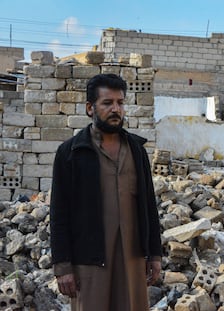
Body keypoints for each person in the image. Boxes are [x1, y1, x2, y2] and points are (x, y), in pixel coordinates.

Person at [50, 73, 162, 311]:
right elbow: (59, 214)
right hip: (89, 261)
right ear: (90, 108)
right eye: (107, 103)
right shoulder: (71, 153)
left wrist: (154, 255)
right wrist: (63, 267)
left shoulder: (136, 150)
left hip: (132, 259)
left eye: (120, 103)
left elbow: (149, 206)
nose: (116, 109)